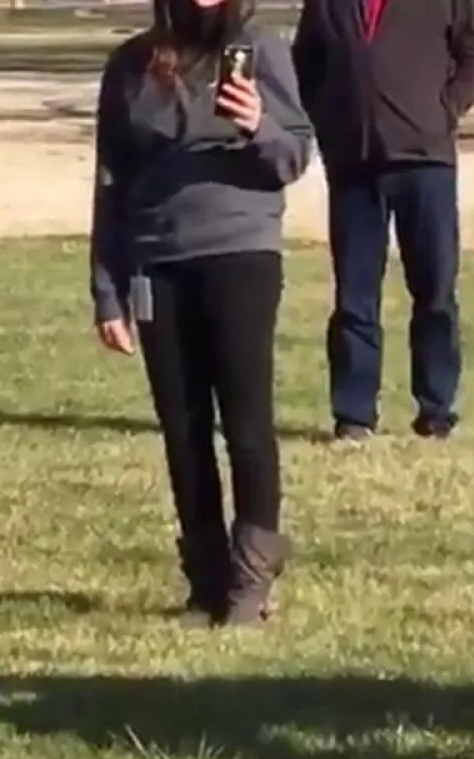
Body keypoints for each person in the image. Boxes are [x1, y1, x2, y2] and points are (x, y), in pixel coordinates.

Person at [88, 0, 313, 626]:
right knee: (183, 431)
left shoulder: (259, 49)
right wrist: (108, 289)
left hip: (240, 254)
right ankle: (206, 581)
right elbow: (111, 184)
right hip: (156, 265)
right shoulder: (130, 67)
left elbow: (292, 158)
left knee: (245, 422)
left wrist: (259, 124)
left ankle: (250, 580)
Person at [291, 0, 474, 443]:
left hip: (426, 162)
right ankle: (354, 414)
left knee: (435, 290)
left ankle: (436, 409)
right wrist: (329, 120)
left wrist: (446, 108)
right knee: (354, 297)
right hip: (353, 164)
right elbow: (305, 65)